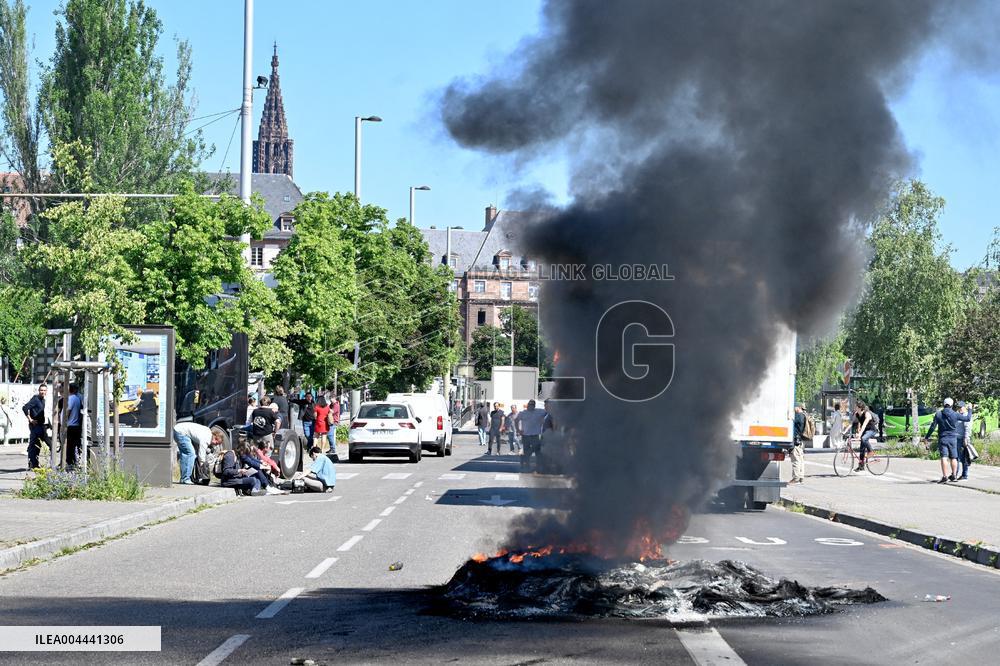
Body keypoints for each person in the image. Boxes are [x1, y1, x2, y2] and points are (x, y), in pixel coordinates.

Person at [924, 397, 972, 483]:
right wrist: (970, 409)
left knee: (944, 457)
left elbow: (932, 426)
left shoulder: (938, 414)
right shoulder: (955, 414)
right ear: (952, 405)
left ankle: (945, 476)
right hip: (953, 439)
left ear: (944, 404)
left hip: (943, 438)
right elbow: (968, 418)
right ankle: (954, 476)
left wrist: (927, 437)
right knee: (954, 457)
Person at [22, 384, 49, 470]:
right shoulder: (35, 399)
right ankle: (31, 464)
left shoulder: (42, 400)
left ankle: (35, 464)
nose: (43, 392)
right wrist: (30, 419)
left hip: (41, 425)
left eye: (44, 390)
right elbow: (25, 407)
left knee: (38, 445)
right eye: (41, 390)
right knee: (33, 445)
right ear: (39, 391)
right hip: (35, 426)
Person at [516, 399, 547, 470]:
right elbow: (516, 420)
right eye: (529, 405)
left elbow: (548, 412)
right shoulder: (523, 413)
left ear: (534, 406)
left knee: (537, 451)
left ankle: (538, 465)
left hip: (535, 435)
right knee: (527, 450)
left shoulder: (539, 412)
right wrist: (518, 430)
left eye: (532, 405)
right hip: (526, 435)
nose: (530, 406)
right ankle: (526, 464)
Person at [851, 401, 878, 472]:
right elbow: (852, 423)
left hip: (872, 430)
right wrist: (844, 431)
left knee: (863, 438)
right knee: (862, 449)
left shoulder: (867, 414)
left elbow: (864, 425)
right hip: (865, 431)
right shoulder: (856, 414)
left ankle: (871, 451)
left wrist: (860, 434)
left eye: (855, 406)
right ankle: (861, 467)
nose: (854, 407)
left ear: (859, 407)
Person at [63, 383, 83, 468]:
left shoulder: (71, 398)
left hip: (70, 425)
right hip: (76, 425)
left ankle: (69, 462)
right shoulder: (78, 398)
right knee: (75, 445)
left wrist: (64, 422)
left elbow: (68, 411)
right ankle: (75, 461)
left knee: (69, 445)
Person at [956, 401, 975, 481]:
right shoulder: (961, 415)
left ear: (964, 407)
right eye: (958, 407)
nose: (959, 409)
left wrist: (966, 439)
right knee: (960, 457)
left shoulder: (966, 415)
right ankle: (961, 475)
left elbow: (967, 429)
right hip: (958, 439)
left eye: (960, 407)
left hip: (963, 439)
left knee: (963, 458)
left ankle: (964, 475)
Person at [790, 404, 806, 484]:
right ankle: (801, 478)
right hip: (800, 441)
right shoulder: (804, 415)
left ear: (798, 407)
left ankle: (796, 478)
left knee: (795, 459)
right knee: (800, 459)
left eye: (795, 407)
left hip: (796, 441)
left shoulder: (798, 416)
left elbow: (790, 419)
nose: (794, 409)